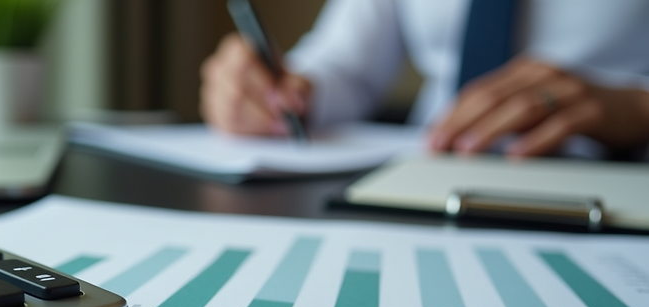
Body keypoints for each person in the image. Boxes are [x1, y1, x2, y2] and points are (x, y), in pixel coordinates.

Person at [200, 0, 649, 159]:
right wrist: (278, 95)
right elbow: (345, 65)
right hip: (428, 174)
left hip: (608, 176)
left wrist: (637, 108)